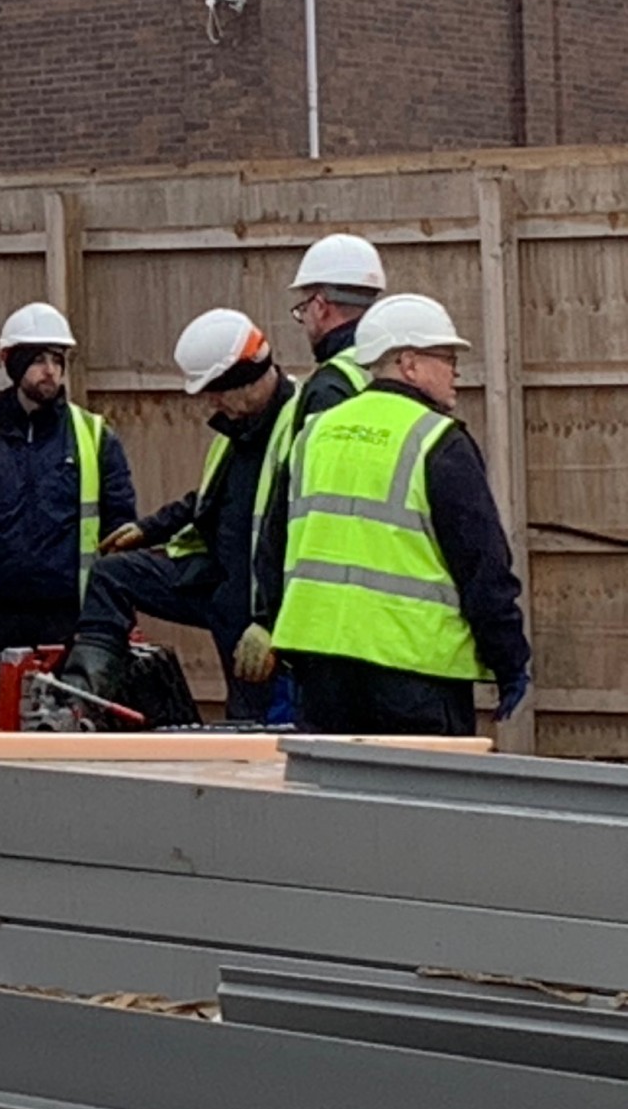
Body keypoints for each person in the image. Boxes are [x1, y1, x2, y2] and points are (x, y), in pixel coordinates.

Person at [272, 293, 530, 734]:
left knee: (335, 800)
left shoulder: (314, 433)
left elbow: (273, 544)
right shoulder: (437, 441)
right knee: (421, 801)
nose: (456, 373)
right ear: (409, 363)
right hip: (415, 672)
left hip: (320, 669)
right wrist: (510, 663)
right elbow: (483, 567)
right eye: (446, 358)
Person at [72, 309, 292, 718]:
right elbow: (208, 500)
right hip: (217, 581)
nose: (212, 402)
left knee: (251, 722)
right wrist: (149, 529)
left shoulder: (298, 426)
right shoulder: (239, 429)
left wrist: (269, 618)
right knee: (112, 574)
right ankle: (84, 701)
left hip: (259, 605)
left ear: (243, 377)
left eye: (215, 390)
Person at [0, 301, 137, 651]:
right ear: (13, 362)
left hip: (72, 621)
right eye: (38, 360)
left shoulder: (94, 437)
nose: (50, 371)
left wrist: (111, 616)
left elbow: (121, 531)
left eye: (57, 360)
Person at [244, 234, 387, 677]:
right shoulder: (387, 371)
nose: (304, 321)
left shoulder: (328, 387)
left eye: (303, 309)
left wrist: (270, 615)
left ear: (322, 306)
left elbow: (308, 505)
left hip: (325, 616)